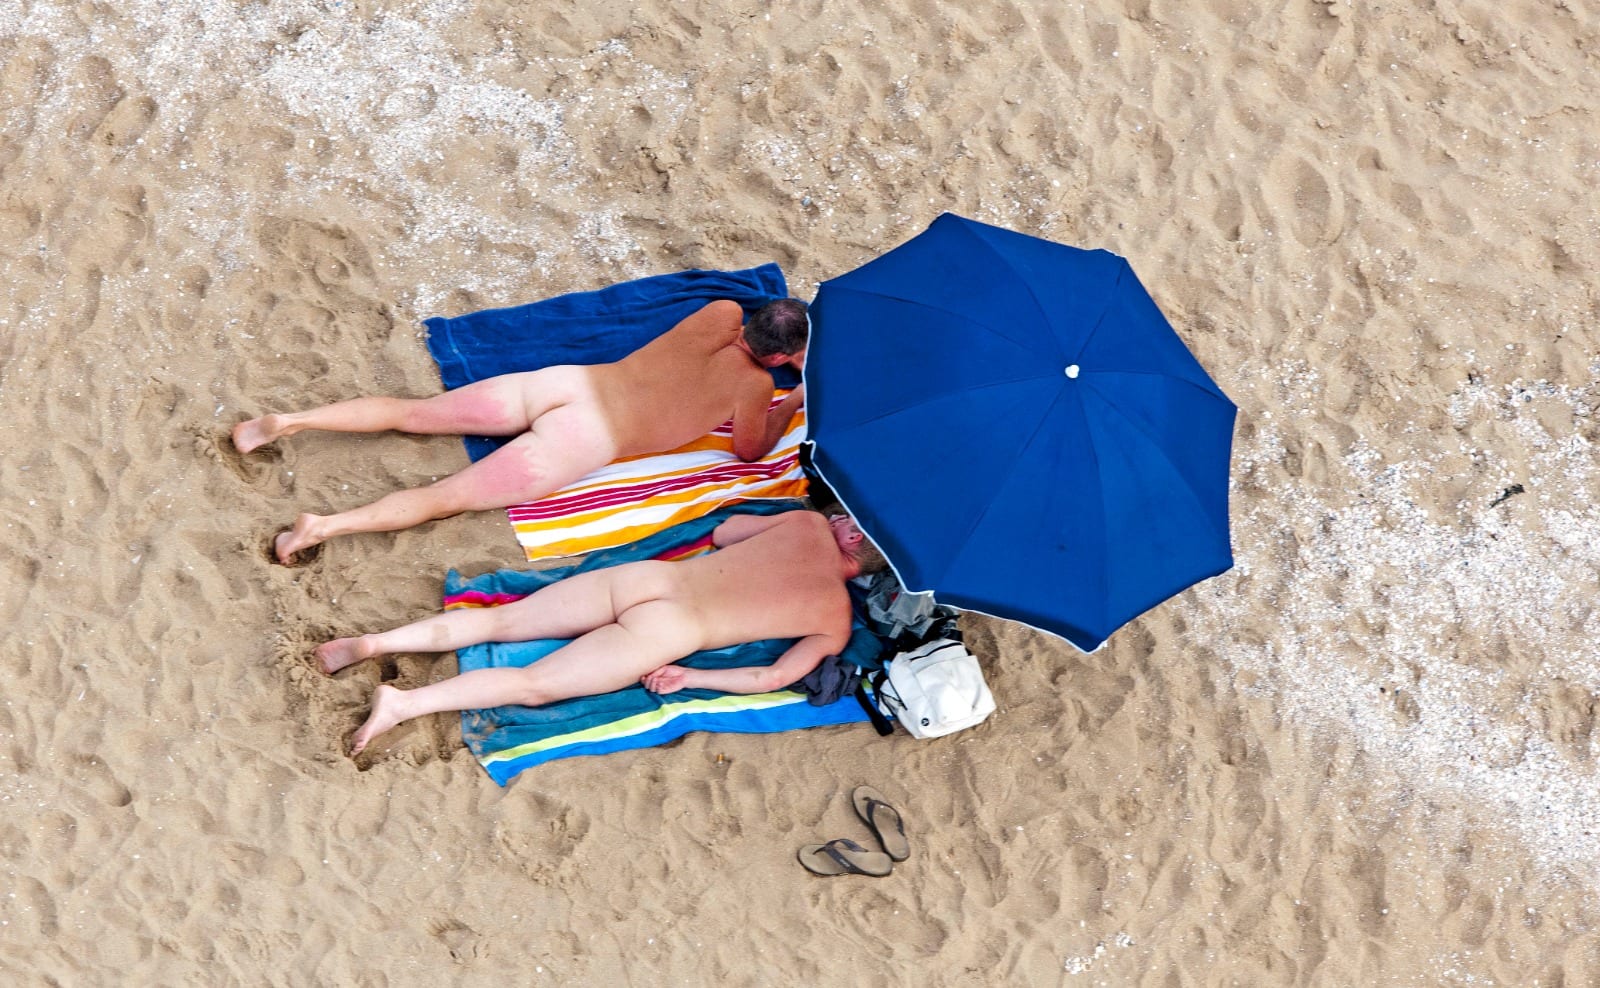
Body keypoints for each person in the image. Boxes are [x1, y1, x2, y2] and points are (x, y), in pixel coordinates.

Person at [233, 298, 810, 564]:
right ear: (783, 356)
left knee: (411, 411)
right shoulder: (758, 388)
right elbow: (750, 451)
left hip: (569, 385)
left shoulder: (717, 312)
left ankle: (288, 422)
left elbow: (746, 328)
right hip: (586, 439)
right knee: (446, 499)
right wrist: (794, 398)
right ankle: (320, 527)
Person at [316, 509, 887, 756]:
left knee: (501, 620)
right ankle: (405, 703)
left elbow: (729, 531)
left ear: (856, 542)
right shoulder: (833, 620)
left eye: (850, 521)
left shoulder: (808, 525)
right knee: (533, 684)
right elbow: (773, 677)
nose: (840, 518)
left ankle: (379, 643)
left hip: (651, 579)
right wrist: (690, 675)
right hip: (671, 631)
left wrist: (807, 528)